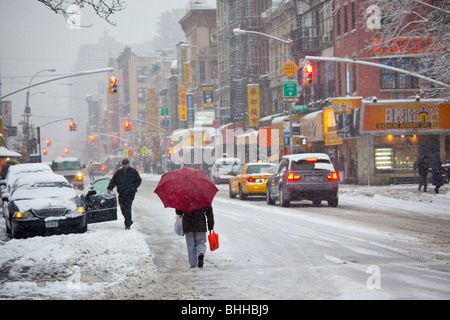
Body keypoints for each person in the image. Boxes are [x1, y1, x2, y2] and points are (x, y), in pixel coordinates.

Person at [107, 158, 142, 229]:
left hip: (130, 193)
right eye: (123, 165)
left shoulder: (133, 171)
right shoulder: (119, 172)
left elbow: (139, 180)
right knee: (122, 207)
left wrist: (133, 187)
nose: (124, 166)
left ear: (128, 164)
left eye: (125, 165)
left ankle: (127, 224)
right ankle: (128, 219)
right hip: (121, 192)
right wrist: (109, 188)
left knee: (127, 207)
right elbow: (113, 181)